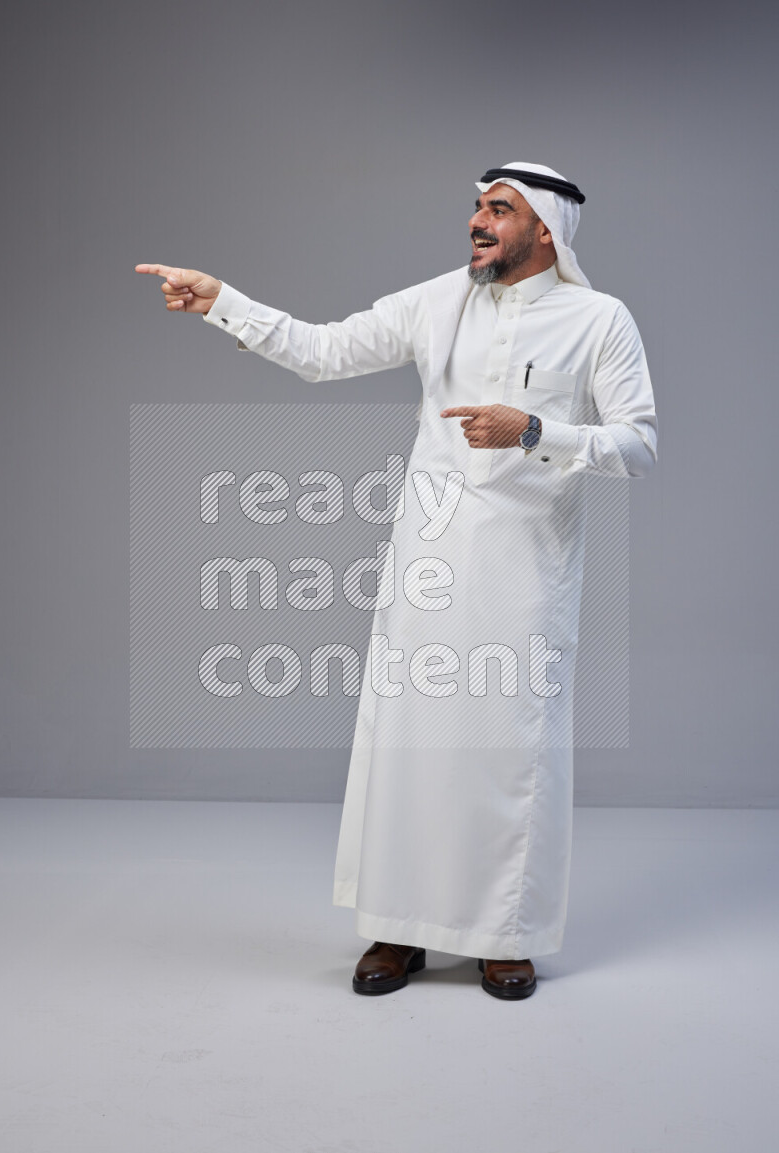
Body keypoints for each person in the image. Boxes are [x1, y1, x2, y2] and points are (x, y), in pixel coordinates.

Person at [136, 160, 657, 1001]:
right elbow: (322, 350)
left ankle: (505, 935)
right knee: (410, 752)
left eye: (499, 209)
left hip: (526, 575)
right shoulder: (436, 300)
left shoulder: (598, 320)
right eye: (477, 207)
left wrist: (535, 430)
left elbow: (638, 445)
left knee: (506, 754)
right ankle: (398, 930)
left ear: (546, 230)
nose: (477, 222)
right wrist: (221, 301)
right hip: (428, 566)